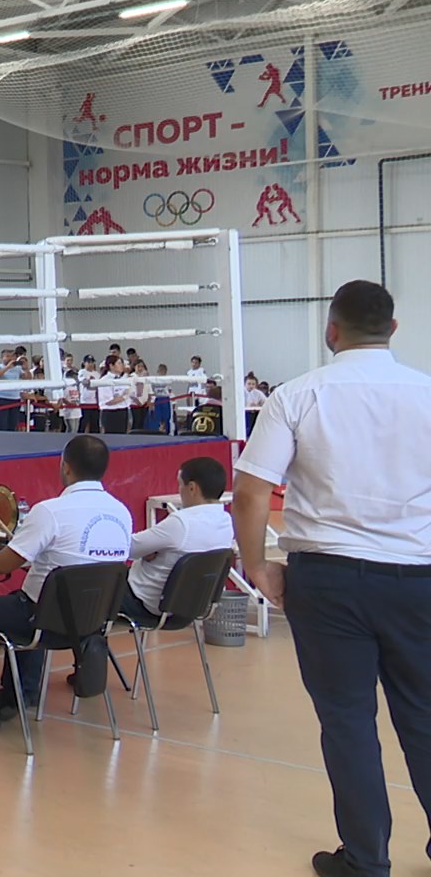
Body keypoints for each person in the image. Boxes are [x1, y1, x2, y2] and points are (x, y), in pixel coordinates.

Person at [231, 281, 431, 877]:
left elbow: (251, 492)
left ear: (331, 329)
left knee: (347, 722)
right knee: (425, 716)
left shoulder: (297, 395)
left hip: (327, 581)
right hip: (418, 577)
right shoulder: (426, 392)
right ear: (393, 329)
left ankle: (366, 860)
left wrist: (256, 565)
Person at [0, 435, 131, 728]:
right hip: (92, 621)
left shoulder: (50, 511)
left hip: (43, 619)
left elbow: (4, 563)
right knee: (28, 599)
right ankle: (22, 691)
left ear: (66, 467)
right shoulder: (122, 513)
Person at [124, 456, 234, 618]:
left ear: (192, 488)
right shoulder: (226, 521)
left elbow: (129, 548)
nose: (179, 490)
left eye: (180, 484)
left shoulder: (181, 522)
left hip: (148, 603)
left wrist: (145, 552)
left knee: (100, 580)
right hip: (194, 605)